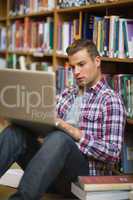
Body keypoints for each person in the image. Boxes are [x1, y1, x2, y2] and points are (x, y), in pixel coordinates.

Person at [0, 39, 126, 200]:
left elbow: (113, 153)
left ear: (97, 61)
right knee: (14, 132)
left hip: (81, 179)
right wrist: (23, 117)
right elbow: (46, 123)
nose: (76, 72)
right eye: (73, 67)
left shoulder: (110, 100)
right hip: (49, 172)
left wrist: (72, 131)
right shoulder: (67, 94)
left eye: (81, 64)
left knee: (60, 138)